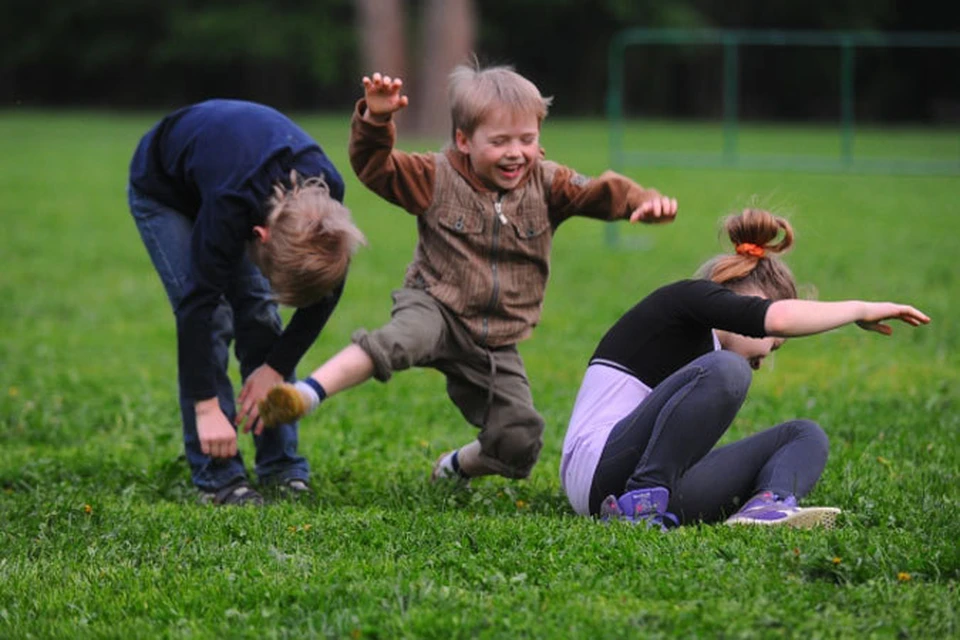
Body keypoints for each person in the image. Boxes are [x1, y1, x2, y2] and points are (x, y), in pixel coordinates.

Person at [257, 63, 678, 482]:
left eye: (527, 139)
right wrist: (377, 120)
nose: (516, 152)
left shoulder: (547, 184)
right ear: (463, 140)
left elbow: (600, 191)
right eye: (499, 141)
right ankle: (305, 394)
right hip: (435, 304)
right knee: (401, 340)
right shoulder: (434, 176)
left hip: (495, 337)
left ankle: (456, 465)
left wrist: (641, 201)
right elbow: (376, 167)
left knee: (520, 441)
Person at [560, 208, 930, 529]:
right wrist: (860, 309)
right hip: (596, 472)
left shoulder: (712, 353)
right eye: (774, 343)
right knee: (729, 370)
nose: (768, 355)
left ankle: (765, 509)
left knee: (804, 434)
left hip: (650, 485)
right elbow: (779, 319)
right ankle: (638, 507)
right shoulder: (685, 301)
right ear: (754, 301)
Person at [128, 99, 365, 506]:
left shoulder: (329, 206)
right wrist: (206, 407)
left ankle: (282, 465)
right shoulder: (230, 204)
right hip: (166, 190)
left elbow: (326, 291)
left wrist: (274, 368)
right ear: (261, 235)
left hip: (233, 175)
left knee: (259, 314)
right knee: (217, 316)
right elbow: (197, 308)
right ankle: (218, 477)